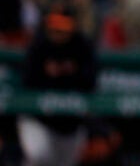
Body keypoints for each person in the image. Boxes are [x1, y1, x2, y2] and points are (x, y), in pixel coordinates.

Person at [18, 9, 97, 166]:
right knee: (40, 154)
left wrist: (64, 73)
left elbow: (90, 81)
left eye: (62, 30)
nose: (58, 34)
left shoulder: (82, 45)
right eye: (54, 30)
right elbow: (29, 81)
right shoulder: (38, 46)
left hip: (71, 122)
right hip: (38, 118)